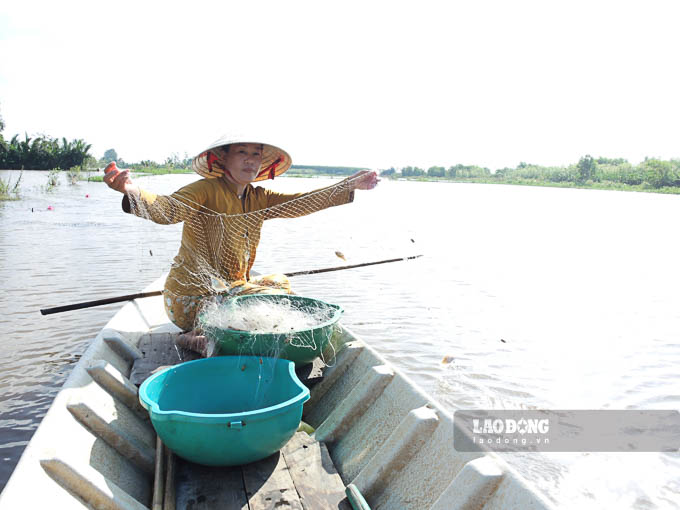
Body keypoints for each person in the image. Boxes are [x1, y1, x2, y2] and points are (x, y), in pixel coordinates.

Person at [103, 135, 378, 355]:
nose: (250, 161)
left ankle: (209, 337)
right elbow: (169, 209)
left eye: (255, 154)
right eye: (242, 152)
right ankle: (189, 337)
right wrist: (132, 191)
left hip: (232, 291)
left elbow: (301, 202)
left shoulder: (260, 197)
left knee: (280, 285)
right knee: (258, 306)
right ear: (224, 158)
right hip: (191, 298)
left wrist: (349, 184)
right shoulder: (205, 189)